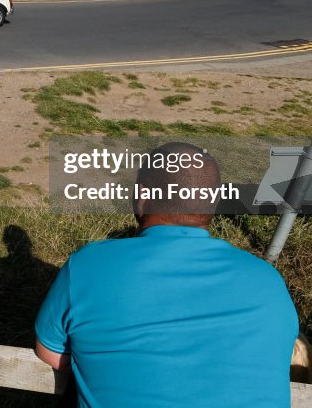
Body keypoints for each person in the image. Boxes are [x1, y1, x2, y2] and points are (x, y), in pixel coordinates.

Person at [35, 142, 298, 408]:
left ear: (141, 197)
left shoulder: (86, 267)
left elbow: (51, 353)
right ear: (214, 203)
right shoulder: (270, 282)